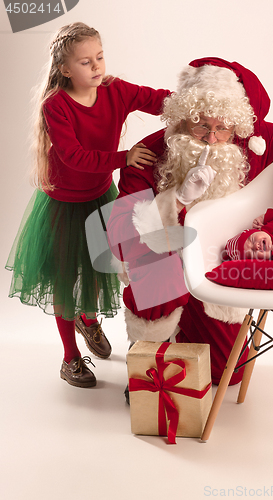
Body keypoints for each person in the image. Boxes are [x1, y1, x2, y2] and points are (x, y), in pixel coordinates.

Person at [107, 57, 273, 389]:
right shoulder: (149, 154)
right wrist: (176, 200)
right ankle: (149, 349)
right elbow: (123, 234)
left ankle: (185, 333)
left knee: (227, 373)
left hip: (218, 268)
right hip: (166, 266)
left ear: (236, 124)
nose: (212, 139)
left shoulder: (252, 142)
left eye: (222, 128)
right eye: (200, 125)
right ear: (183, 119)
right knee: (156, 265)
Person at [6, 22, 170, 388]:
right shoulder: (56, 106)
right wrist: (124, 157)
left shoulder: (114, 90)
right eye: (85, 62)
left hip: (99, 196)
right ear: (65, 69)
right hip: (63, 204)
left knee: (97, 270)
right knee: (66, 283)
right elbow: (75, 156)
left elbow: (157, 99)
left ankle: (89, 320)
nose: (96, 67)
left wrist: (196, 100)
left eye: (99, 57)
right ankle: (69, 357)